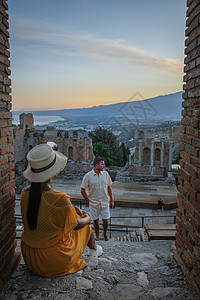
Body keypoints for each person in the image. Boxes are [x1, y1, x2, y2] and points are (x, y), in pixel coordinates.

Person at [21, 144, 103, 278]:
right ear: (53, 172)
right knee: (86, 227)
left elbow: (43, 211)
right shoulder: (60, 199)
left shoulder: (25, 194)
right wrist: (88, 218)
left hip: (31, 258)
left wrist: (71, 209)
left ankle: (93, 249)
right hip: (54, 261)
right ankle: (94, 250)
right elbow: (76, 225)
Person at [81, 157, 114, 241]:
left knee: (106, 220)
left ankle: (105, 233)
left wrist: (112, 200)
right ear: (96, 165)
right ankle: (97, 237)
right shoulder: (88, 176)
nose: (104, 165)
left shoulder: (106, 174)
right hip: (94, 203)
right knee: (95, 221)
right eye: (102, 164)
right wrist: (88, 201)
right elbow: (82, 190)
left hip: (104, 202)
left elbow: (109, 187)